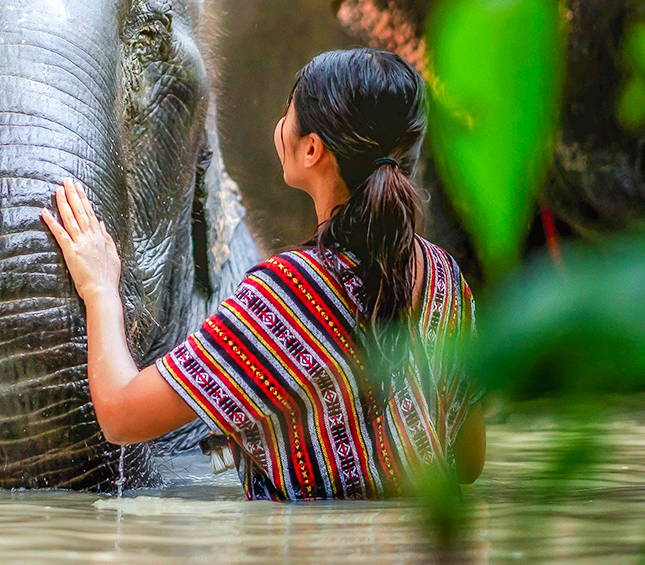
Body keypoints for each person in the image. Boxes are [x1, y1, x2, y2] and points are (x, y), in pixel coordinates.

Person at [42, 48, 484, 500]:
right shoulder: (444, 277)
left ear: (311, 149)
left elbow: (119, 417)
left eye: (288, 113)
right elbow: (469, 462)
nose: (280, 126)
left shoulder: (286, 293)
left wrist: (100, 291)